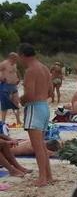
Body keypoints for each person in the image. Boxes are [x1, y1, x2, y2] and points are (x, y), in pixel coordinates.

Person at [18, 43, 54, 187]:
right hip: (44, 107)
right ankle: (48, 176)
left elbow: (30, 95)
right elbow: (50, 91)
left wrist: (20, 100)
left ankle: (42, 178)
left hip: (34, 108)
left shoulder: (30, 71)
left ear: (22, 55)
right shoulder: (44, 68)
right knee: (42, 146)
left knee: (37, 146)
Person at [0, 52, 22, 126]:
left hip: (14, 86)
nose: (17, 59)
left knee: (16, 103)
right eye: (16, 58)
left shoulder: (14, 64)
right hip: (5, 85)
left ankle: (18, 121)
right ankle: (3, 122)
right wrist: (1, 78)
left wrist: (18, 78)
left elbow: (15, 72)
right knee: (4, 104)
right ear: (11, 57)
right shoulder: (4, 63)